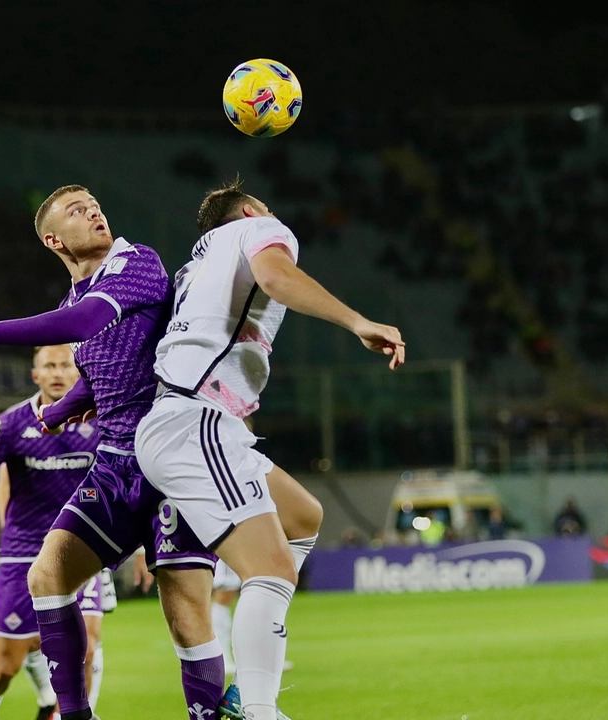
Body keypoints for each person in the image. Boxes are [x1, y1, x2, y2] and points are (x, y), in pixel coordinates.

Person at [0, 186, 220, 720]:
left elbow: (89, 323)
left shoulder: (137, 263)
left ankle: (219, 709)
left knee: (186, 614)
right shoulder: (73, 300)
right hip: (117, 461)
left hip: (170, 457)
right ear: (54, 239)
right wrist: (66, 409)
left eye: (95, 204)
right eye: (76, 209)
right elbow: (115, 361)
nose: (94, 210)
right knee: (48, 577)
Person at [136, 179, 404, 719]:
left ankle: (256, 674)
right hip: (196, 420)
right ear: (251, 211)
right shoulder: (258, 228)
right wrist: (358, 322)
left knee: (304, 515)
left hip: (195, 421)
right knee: (272, 569)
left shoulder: (192, 271)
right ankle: (259, 709)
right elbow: (277, 277)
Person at [0, 345, 111, 720]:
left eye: (65, 365)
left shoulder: (101, 421)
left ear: (79, 373)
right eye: (48, 366)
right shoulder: (11, 424)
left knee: (85, 647)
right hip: (23, 553)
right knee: (5, 668)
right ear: (35, 375)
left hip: (80, 548)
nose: (57, 372)